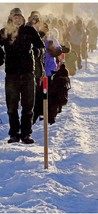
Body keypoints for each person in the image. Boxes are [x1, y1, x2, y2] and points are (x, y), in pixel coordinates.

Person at [0, 8, 45, 144]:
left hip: (27, 73)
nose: (18, 20)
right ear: (11, 19)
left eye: (20, 17)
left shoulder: (29, 30)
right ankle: (14, 134)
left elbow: (40, 45)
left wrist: (37, 52)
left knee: (27, 105)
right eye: (15, 17)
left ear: (23, 18)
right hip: (12, 74)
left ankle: (26, 134)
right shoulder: (5, 32)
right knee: (12, 106)